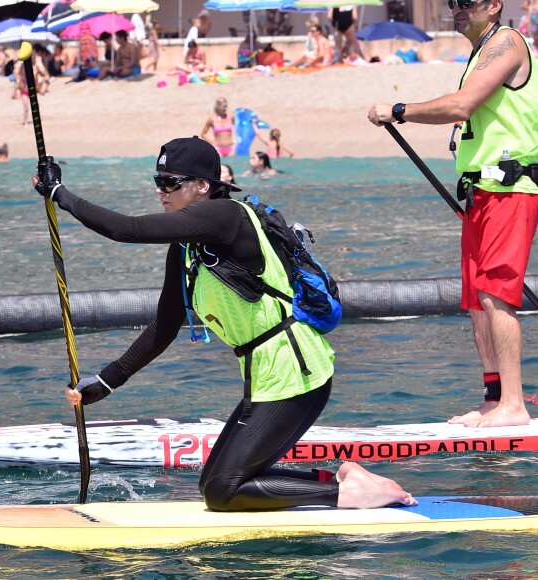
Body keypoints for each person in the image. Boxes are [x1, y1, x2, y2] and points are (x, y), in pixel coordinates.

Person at [32, 137, 416, 512]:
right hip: (266, 373)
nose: (161, 191)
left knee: (223, 491)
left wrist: (60, 194)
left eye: (170, 183)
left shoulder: (226, 216)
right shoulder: (184, 249)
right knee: (213, 483)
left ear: (202, 186)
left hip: (296, 370)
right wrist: (106, 381)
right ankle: (340, 480)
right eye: (157, 182)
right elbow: (164, 326)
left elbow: (127, 230)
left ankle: (352, 497)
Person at [368, 0, 538, 428]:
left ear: (494, 5)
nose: (456, 9)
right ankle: (494, 397)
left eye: (467, 2)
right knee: (477, 299)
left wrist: (398, 111)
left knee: (496, 293)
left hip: (511, 189)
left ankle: (514, 405)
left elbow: (463, 105)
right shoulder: (481, 50)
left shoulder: (506, 42)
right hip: (480, 192)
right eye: (451, 3)